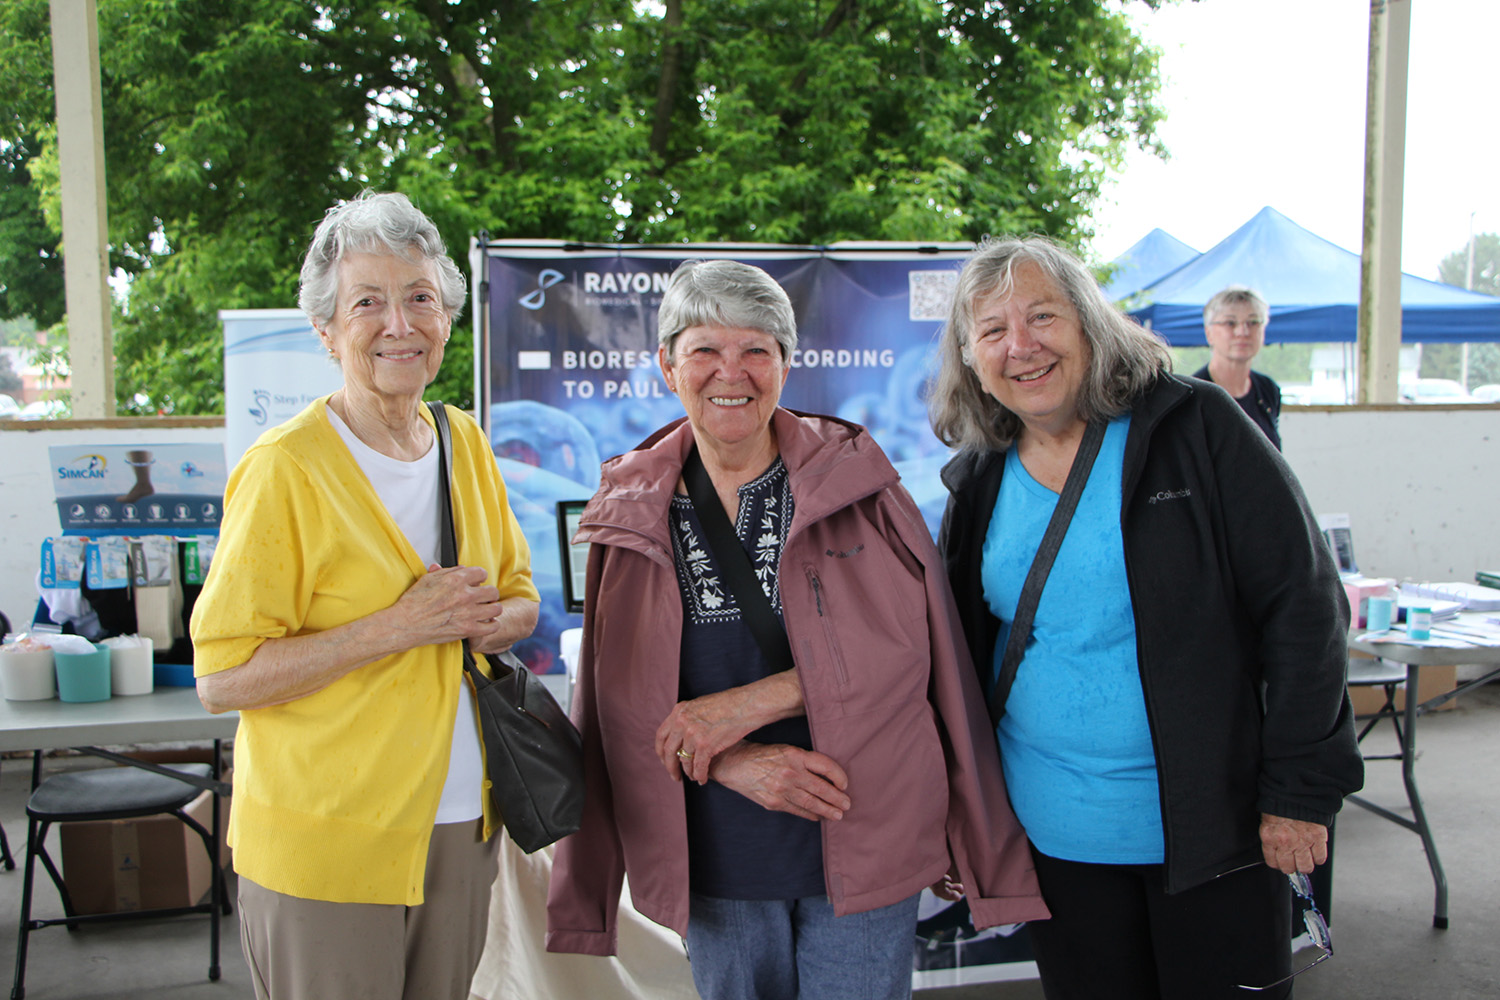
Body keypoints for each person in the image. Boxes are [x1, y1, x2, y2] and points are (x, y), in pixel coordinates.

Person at [546, 259, 1047, 1000]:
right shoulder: (630, 508)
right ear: (666, 365)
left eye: (756, 350)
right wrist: (731, 760)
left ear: (787, 362)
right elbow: (622, 698)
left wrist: (750, 704)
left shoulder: (856, 483)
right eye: (705, 351)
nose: (733, 373)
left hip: (861, 826)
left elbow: (912, 658)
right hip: (712, 849)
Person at [929, 236, 1363, 999]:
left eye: (1041, 317)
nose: (1020, 346)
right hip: (1055, 837)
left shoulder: (1195, 428)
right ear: (970, 356)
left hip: (1216, 832)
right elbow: (960, 655)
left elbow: (1305, 603)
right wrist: (956, 808)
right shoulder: (980, 474)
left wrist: (1298, 791)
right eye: (992, 331)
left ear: (1093, 324)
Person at [190, 191, 540, 1000]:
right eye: (368, 303)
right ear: (326, 329)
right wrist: (400, 626)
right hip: (328, 839)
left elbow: (519, 596)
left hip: (461, 826)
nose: (400, 324)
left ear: (448, 316)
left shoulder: (466, 443)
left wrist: (493, 623)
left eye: (420, 298)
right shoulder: (285, 468)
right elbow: (224, 677)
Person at [1195, 285, 1282, 449]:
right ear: (1208, 333)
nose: (1243, 331)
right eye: (1230, 323)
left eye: (1253, 322)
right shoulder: (1193, 394)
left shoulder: (1268, 390)